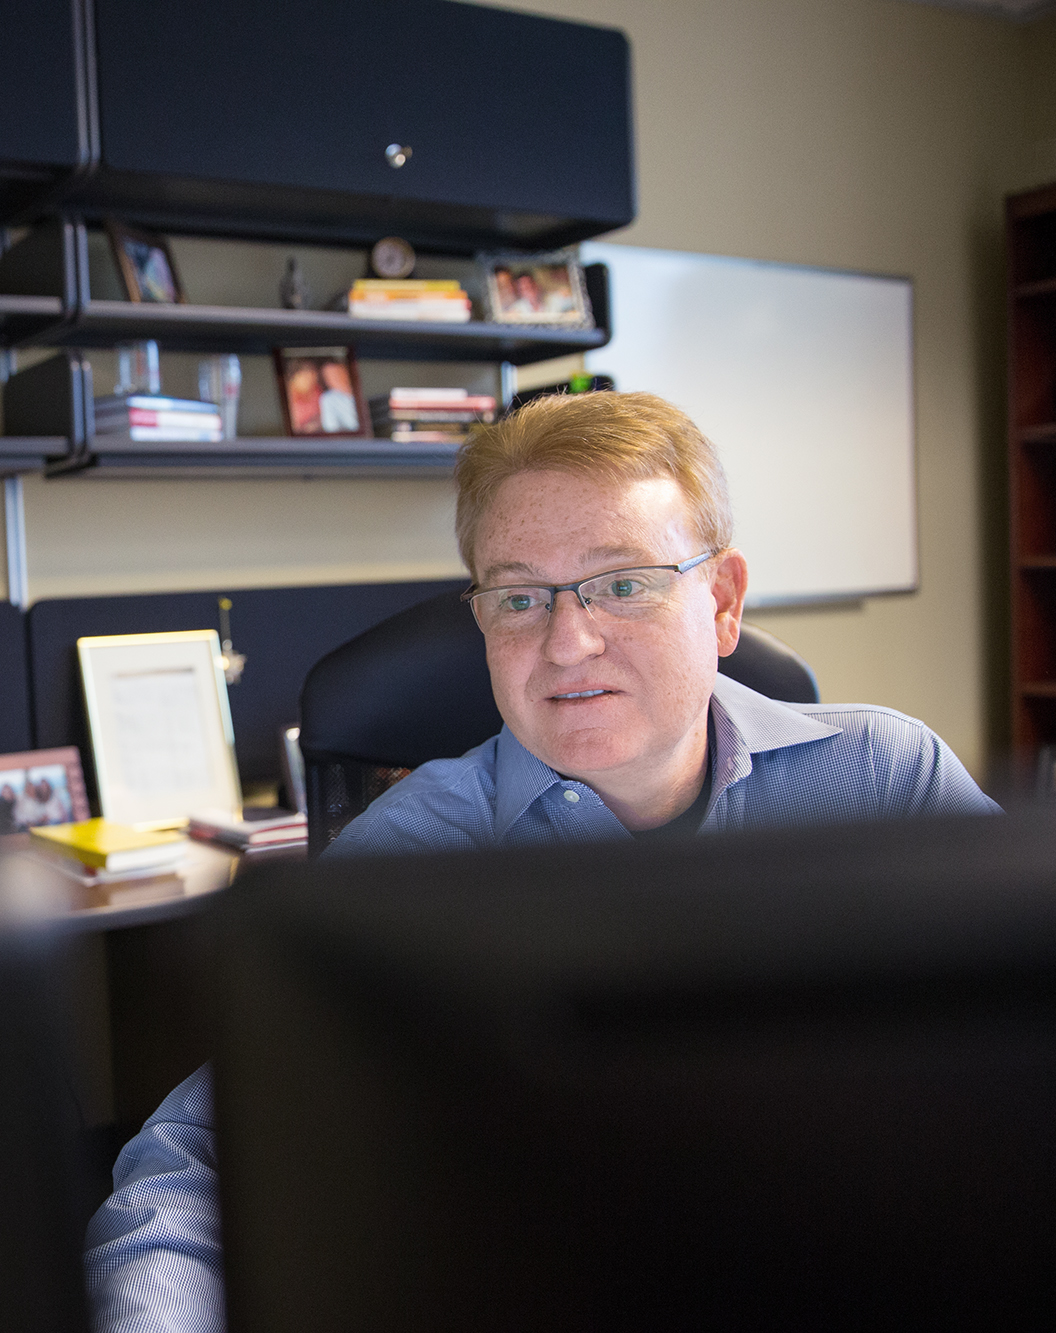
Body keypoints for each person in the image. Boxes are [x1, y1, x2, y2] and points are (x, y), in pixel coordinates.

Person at [81, 389, 1000, 1333]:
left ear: (722, 602)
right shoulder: (409, 866)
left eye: (623, 583)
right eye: (519, 598)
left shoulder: (885, 780)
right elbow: (200, 1167)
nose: (567, 643)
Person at [316, 360, 360, 434]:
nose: (335, 379)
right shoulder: (328, 399)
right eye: (330, 377)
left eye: (337, 373)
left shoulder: (360, 389)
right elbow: (332, 429)